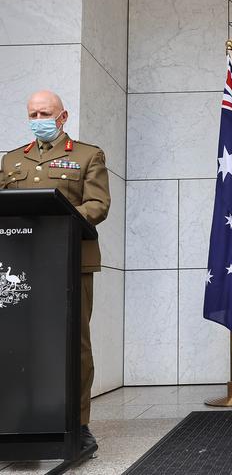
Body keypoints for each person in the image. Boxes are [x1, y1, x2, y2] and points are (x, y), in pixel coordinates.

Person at [0, 90, 111, 450]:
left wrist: (60, 222)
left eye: (44, 113)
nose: (38, 120)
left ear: (62, 118)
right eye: (32, 114)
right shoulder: (13, 159)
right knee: (20, 340)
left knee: (74, 343)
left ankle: (78, 424)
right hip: (21, 264)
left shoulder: (86, 155)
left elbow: (98, 203)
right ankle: (22, 417)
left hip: (70, 261)